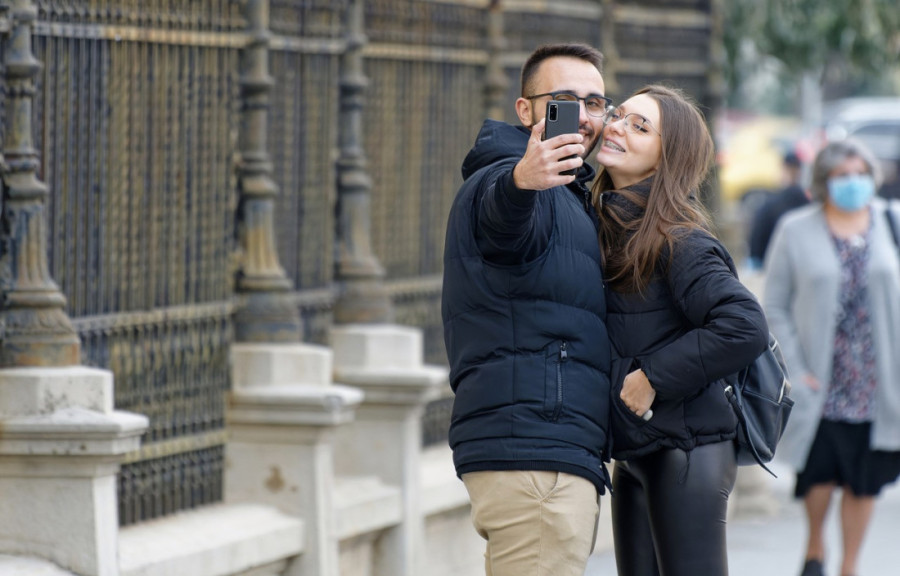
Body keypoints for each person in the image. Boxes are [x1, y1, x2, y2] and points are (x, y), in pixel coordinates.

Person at [441, 43, 613, 576]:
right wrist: (521, 183)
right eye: (564, 100)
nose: (582, 117)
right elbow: (502, 225)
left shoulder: (571, 193)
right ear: (525, 111)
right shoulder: (508, 179)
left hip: (545, 447)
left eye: (596, 102)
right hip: (537, 451)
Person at [591, 85, 769, 576]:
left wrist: (652, 376)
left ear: (667, 159)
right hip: (636, 452)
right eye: (619, 115)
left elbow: (744, 326)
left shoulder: (679, 239)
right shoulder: (608, 224)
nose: (617, 126)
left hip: (687, 451)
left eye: (639, 126)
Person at [763, 139, 900, 576]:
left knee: (865, 476)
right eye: (842, 175)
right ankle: (815, 546)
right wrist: (794, 369)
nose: (853, 183)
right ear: (824, 181)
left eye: (860, 173)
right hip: (820, 374)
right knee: (819, 471)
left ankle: (850, 566)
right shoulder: (796, 228)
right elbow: (774, 306)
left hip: (877, 379)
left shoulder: (891, 222)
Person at [746, 151, 810, 270]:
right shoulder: (811, 205)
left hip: (774, 267)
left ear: (783, 169)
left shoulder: (769, 206)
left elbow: (756, 249)